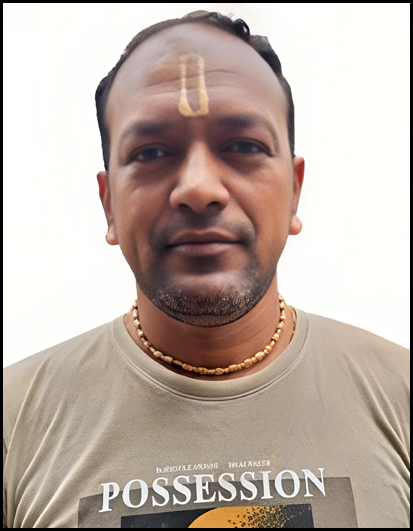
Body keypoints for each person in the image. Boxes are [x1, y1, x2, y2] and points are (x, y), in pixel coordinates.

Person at [3, 10, 409, 529]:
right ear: (108, 205)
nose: (198, 187)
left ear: (294, 191)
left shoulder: (400, 398)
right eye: (151, 151)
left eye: (243, 146)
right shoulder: (15, 424)